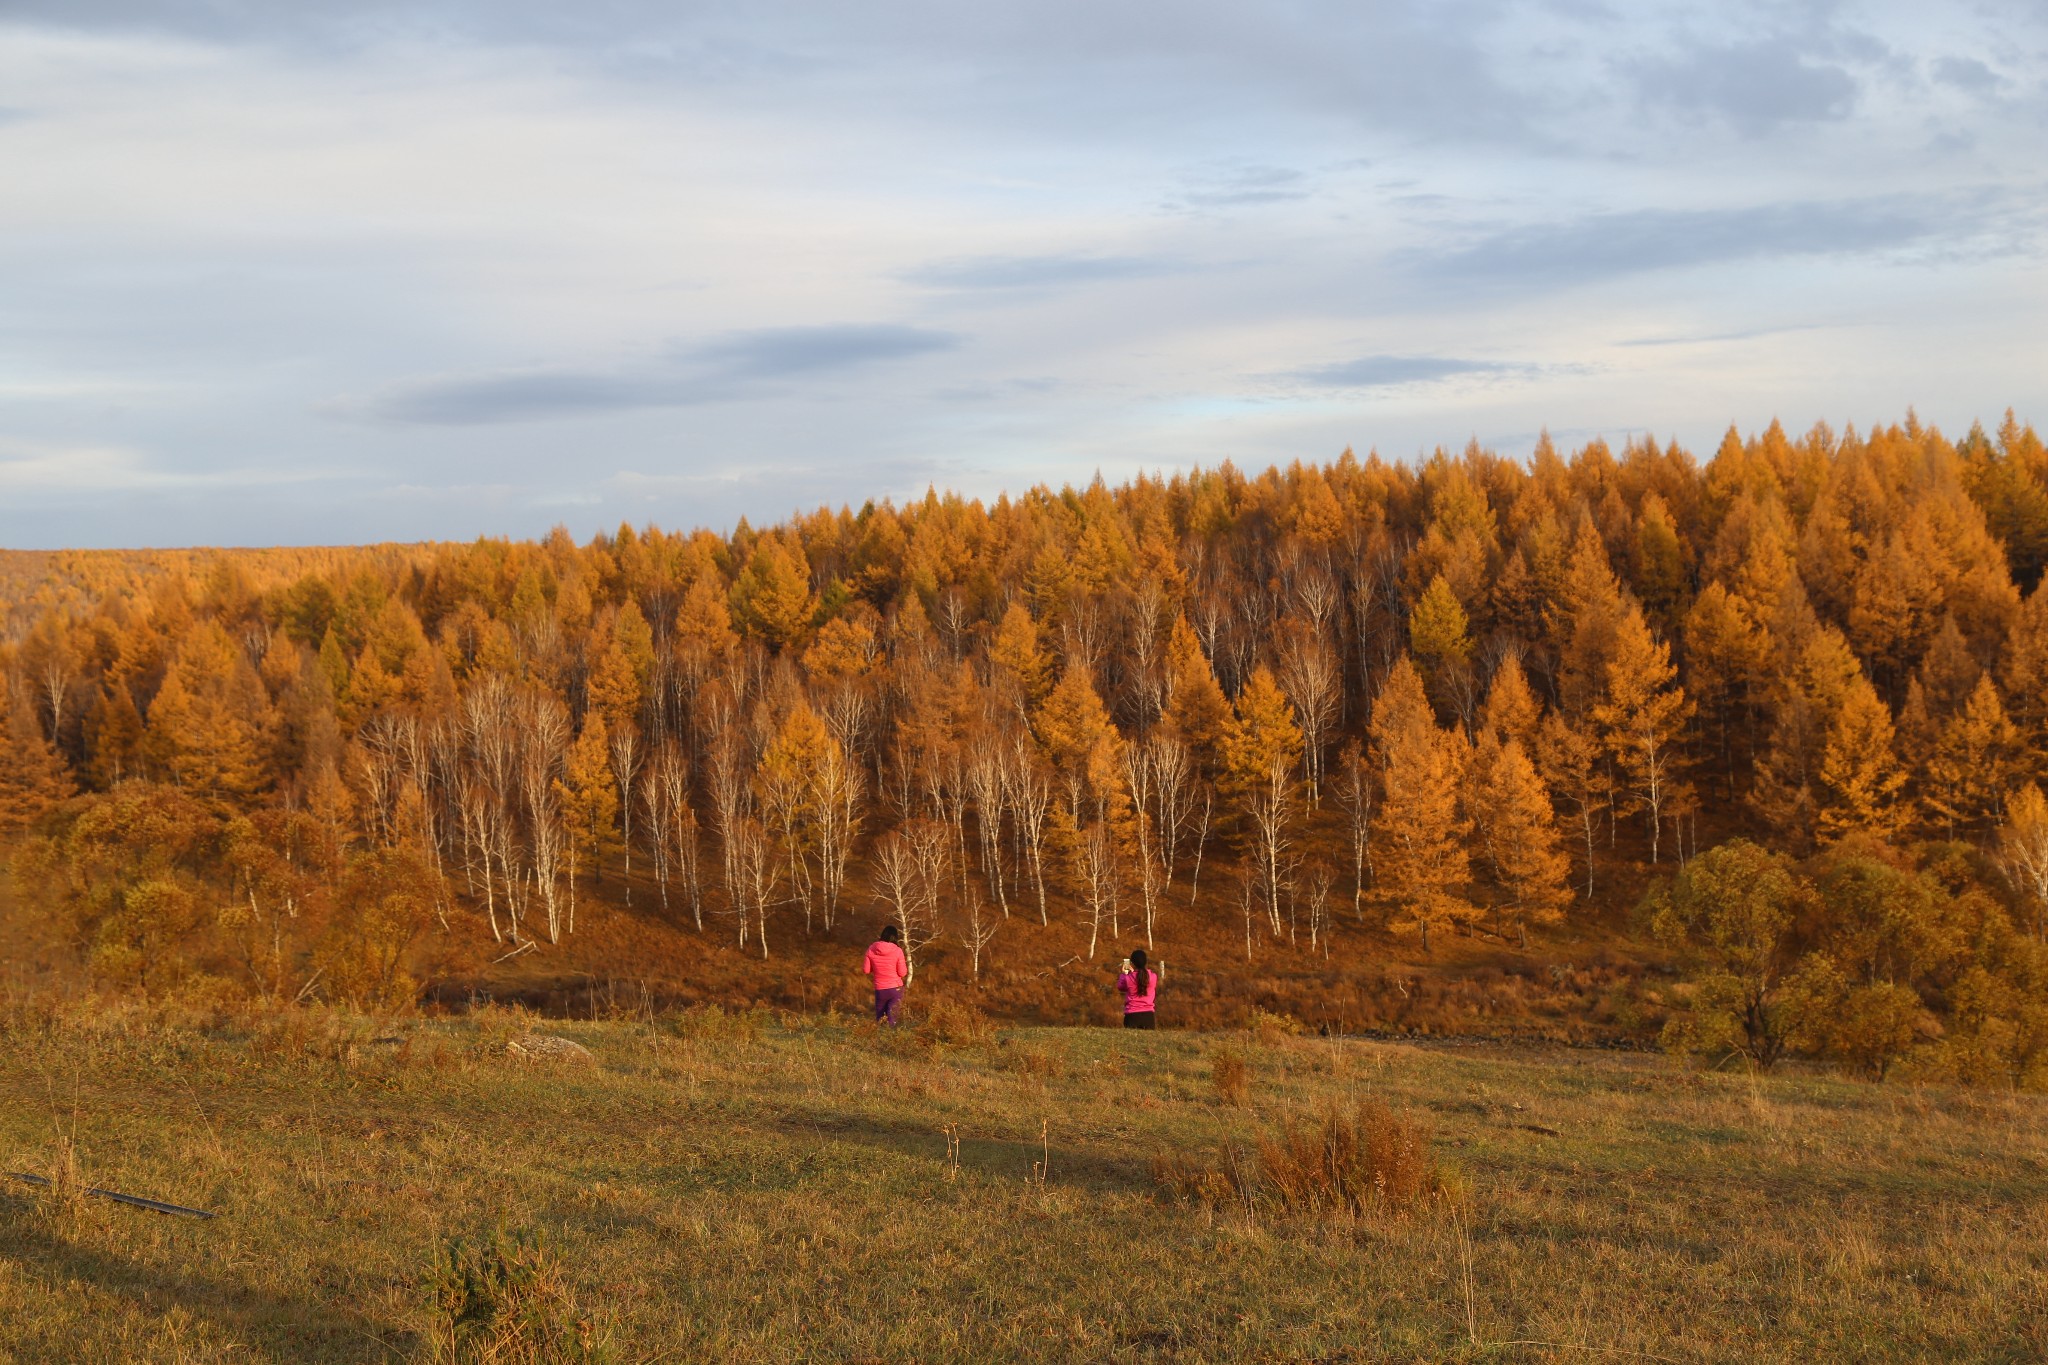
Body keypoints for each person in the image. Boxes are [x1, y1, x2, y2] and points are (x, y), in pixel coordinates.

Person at [863, 924, 909, 1025]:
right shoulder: (898, 950)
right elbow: (902, 973)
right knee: (892, 1019)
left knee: (880, 1019)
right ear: (895, 937)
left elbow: (866, 970)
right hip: (895, 989)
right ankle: (891, 1038)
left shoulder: (871, 949)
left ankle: (880, 1038)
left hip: (880, 989)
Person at [1116, 949, 1162, 1029]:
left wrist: (1125, 974)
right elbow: (1141, 978)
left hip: (1132, 1016)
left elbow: (1120, 987)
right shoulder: (1153, 977)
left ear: (1132, 963)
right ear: (1145, 962)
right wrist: (1133, 972)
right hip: (1148, 1016)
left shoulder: (1128, 978)